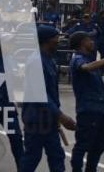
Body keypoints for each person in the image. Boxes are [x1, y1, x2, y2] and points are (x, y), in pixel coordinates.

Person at [20, 26, 77, 172]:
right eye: (56, 39)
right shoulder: (36, 62)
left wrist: (56, 117)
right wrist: (62, 117)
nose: (59, 42)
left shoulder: (49, 60)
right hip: (36, 119)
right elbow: (41, 95)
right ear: (47, 41)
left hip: (48, 118)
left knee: (57, 155)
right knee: (32, 157)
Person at [69, 31, 104, 172]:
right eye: (89, 39)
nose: (92, 42)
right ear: (82, 42)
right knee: (82, 145)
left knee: (99, 145)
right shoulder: (77, 59)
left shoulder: (90, 61)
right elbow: (86, 68)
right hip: (88, 111)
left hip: (100, 110)